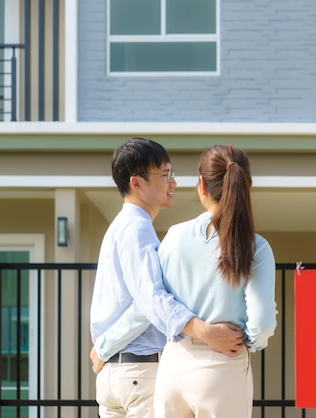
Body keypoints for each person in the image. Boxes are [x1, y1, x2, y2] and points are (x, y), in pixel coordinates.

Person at [89, 137, 244, 418]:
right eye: (165, 175)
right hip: (140, 372)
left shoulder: (119, 227)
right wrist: (205, 332)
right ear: (137, 183)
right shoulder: (137, 228)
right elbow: (150, 299)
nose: (173, 182)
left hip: (115, 375)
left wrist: (105, 346)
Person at [154, 144, 278, 418]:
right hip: (223, 366)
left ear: (202, 185)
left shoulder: (173, 237)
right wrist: (248, 341)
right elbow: (263, 319)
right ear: (248, 186)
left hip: (173, 363)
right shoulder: (256, 247)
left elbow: (153, 300)